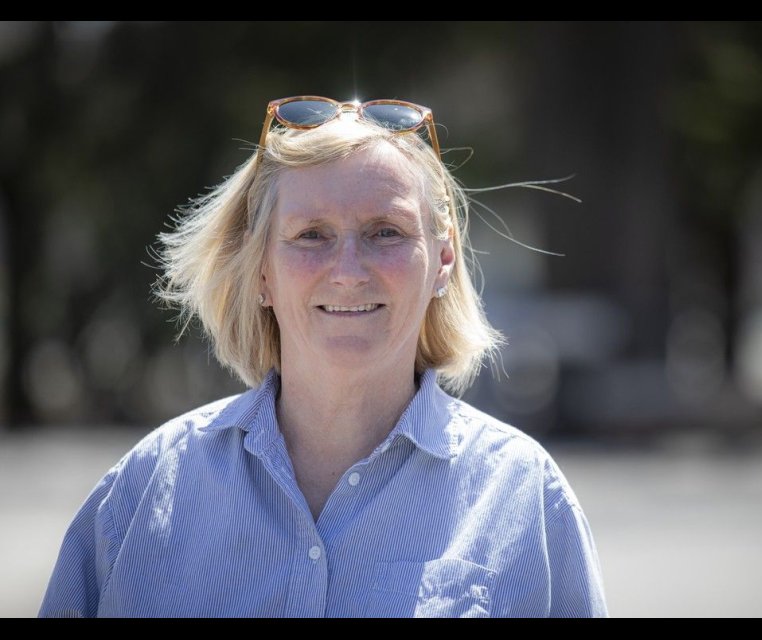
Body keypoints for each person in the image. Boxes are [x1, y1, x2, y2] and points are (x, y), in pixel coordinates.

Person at [38, 97, 608, 618]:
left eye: (386, 232)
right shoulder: (145, 491)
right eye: (312, 235)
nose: (349, 271)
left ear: (442, 260)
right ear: (261, 271)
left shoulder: (526, 498)